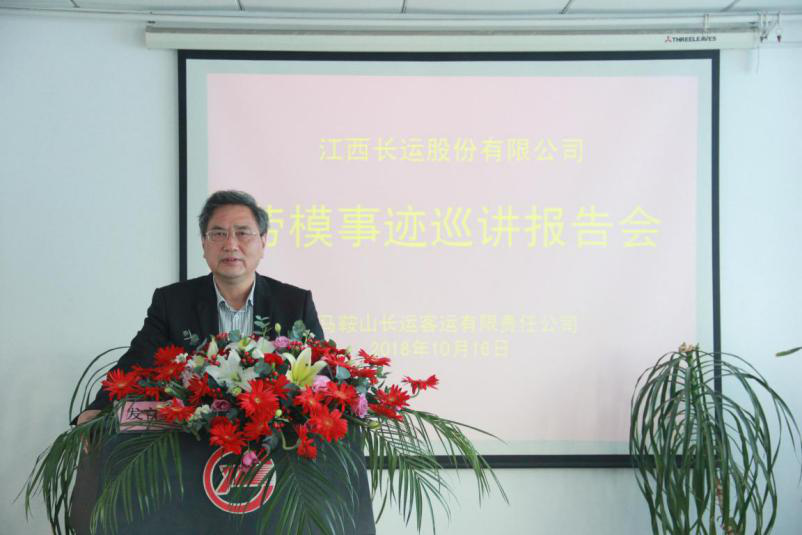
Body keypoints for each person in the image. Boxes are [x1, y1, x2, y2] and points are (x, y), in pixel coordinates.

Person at [73, 190, 375, 534]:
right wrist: (99, 407)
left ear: (262, 241)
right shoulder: (173, 302)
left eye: (243, 233)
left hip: (275, 464)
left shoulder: (294, 302)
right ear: (204, 244)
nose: (231, 244)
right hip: (191, 462)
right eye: (218, 233)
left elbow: (321, 371)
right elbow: (137, 360)